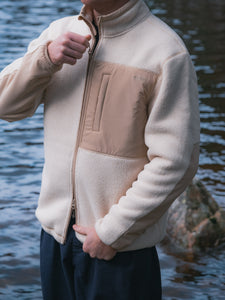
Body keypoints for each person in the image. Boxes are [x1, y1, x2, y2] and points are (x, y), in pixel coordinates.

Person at [0, 0, 200, 299]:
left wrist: (112, 233)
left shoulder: (166, 52)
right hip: (55, 239)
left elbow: (176, 161)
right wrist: (45, 59)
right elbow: (6, 106)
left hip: (118, 249)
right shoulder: (60, 32)